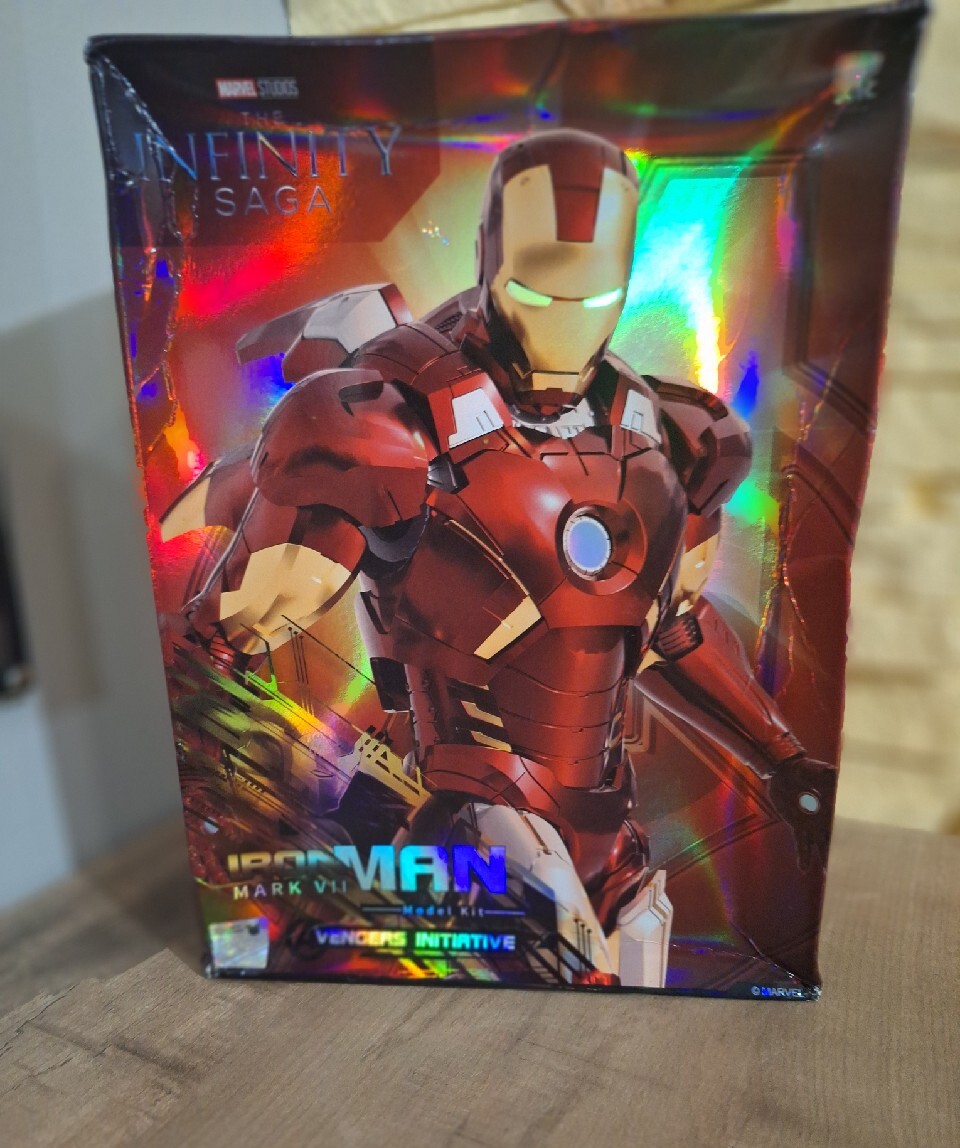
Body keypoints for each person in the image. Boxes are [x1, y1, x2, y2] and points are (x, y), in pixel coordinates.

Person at [162, 129, 834, 987]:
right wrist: (233, 819)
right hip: (470, 822)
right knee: (565, 976)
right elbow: (215, 651)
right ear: (489, 257)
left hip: (608, 829)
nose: (568, 316)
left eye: (597, 289)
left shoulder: (673, 436)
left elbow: (671, 632)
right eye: (539, 285)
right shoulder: (388, 426)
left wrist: (783, 760)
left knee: (636, 972)